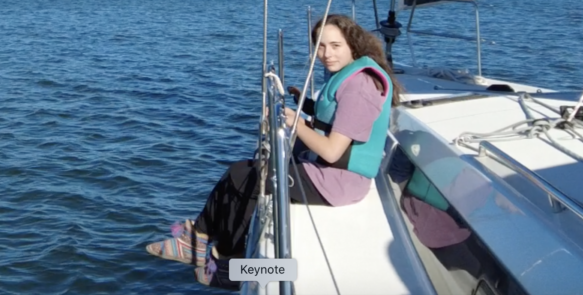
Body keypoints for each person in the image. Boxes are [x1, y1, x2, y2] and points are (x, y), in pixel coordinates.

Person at [145, 14, 402, 287]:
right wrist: (306, 107)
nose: (326, 54)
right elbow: (339, 118)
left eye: (335, 46)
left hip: (340, 182)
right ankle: (197, 240)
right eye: (320, 47)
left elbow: (332, 151)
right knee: (241, 172)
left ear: (353, 45)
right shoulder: (353, 76)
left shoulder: (360, 86)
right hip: (331, 174)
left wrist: (297, 122)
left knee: (247, 178)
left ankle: (230, 269)